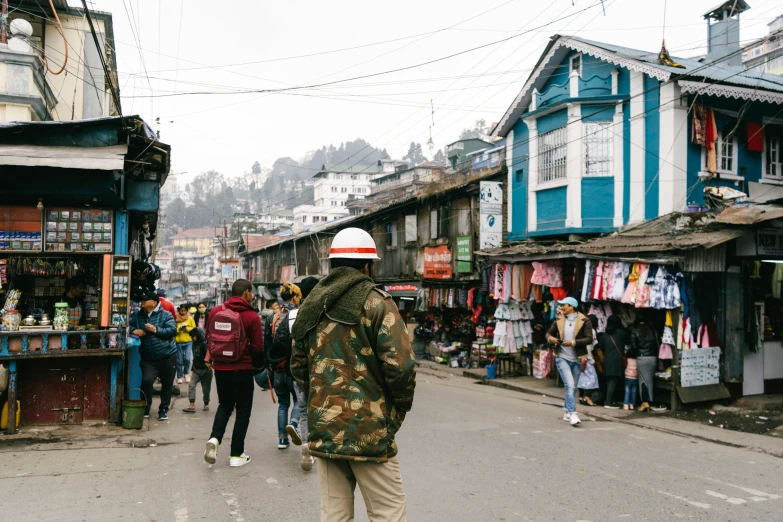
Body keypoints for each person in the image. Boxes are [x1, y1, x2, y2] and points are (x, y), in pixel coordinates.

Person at [291, 228, 416, 521]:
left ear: (331, 265)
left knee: (335, 514)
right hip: (370, 431)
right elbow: (402, 366)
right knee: (388, 513)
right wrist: (396, 411)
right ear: (368, 266)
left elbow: (297, 366)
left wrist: (321, 404)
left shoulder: (312, 304)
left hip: (326, 429)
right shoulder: (376, 302)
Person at [204, 279, 264, 468]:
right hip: (243, 368)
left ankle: (214, 439)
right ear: (246, 292)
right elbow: (258, 347)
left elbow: (209, 338)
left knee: (225, 405)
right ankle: (237, 454)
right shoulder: (251, 316)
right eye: (251, 292)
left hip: (220, 369)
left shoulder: (216, 311)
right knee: (243, 410)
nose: (252, 296)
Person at [284, 276, 320, 472]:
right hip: (320, 371)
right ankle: (319, 448)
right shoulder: (324, 311)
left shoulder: (296, 314)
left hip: (299, 371)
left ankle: (306, 445)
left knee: (304, 411)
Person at [546, 297, 593, 427]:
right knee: (570, 385)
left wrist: (573, 342)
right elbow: (548, 334)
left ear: (571, 306)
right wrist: (552, 339)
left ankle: (567, 411)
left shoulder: (585, 320)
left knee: (572, 387)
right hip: (561, 357)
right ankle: (573, 413)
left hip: (577, 359)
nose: (561, 307)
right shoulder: (559, 320)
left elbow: (589, 339)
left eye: (563, 305)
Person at [130, 293, 177, 421]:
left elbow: (172, 331)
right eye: (142, 300)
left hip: (167, 355)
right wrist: (133, 330)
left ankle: (163, 410)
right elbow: (126, 324)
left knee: (167, 384)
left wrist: (156, 330)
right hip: (148, 357)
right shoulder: (138, 316)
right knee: (146, 381)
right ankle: (145, 408)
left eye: (145, 300)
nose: (142, 302)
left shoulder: (166, 315)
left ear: (154, 303)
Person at [265, 282, 302, 450]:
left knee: (282, 403)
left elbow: (267, 344)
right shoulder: (299, 315)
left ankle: (282, 440)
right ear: (294, 297)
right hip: (294, 367)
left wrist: (269, 366)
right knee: (300, 401)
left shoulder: (272, 316)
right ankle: (294, 423)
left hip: (277, 367)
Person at [601, 315, 631, 409]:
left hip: (607, 359)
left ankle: (611, 400)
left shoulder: (604, 335)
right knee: (613, 381)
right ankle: (609, 402)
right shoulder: (621, 333)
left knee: (610, 380)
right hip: (616, 360)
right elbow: (629, 341)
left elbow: (602, 347)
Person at [631, 316, 659, 413]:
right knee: (650, 380)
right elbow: (657, 342)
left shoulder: (635, 330)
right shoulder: (653, 330)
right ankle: (650, 400)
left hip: (642, 357)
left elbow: (633, 345)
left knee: (643, 380)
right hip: (653, 357)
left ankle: (645, 402)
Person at [183, 327, 212, 413]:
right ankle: (192, 404)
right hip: (196, 369)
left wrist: (209, 363)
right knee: (191, 385)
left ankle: (206, 403)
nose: (192, 339)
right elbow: (195, 357)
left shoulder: (204, 344)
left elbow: (209, 354)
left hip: (206, 370)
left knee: (206, 389)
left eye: (193, 336)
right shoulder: (194, 344)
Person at [577, 314, 600, 407]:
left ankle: (581, 396)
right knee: (592, 377)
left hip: (580, 357)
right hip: (586, 357)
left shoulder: (580, 329)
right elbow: (589, 346)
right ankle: (587, 397)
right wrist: (591, 359)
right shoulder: (591, 331)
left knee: (581, 377)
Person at [175, 304, 196, 384]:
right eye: (181, 311)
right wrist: (179, 329)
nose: (183, 312)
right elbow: (173, 329)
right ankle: (179, 376)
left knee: (187, 359)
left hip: (188, 341)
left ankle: (186, 373)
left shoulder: (190, 318)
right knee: (179, 361)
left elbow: (194, 328)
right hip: (178, 342)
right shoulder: (175, 318)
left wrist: (186, 328)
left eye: (184, 311)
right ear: (179, 311)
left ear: (187, 311)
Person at [624, 345, 638, 410]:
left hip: (627, 377)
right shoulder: (637, 361)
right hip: (634, 377)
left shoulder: (627, 360)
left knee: (627, 391)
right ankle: (632, 404)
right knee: (633, 392)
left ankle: (626, 404)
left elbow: (624, 365)